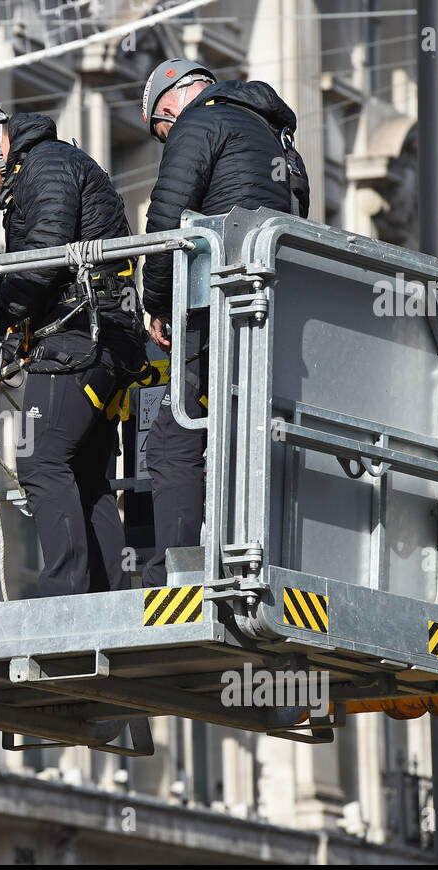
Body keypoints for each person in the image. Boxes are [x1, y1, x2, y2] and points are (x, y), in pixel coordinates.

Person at [0, 91, 148, 597]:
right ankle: (108, 595)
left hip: (85, 340)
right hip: (95, 335)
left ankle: (63, 598)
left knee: (41, 460)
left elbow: (43, 257)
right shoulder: (38, 169)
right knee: (83, 472)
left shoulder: (46, 167)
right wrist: (5, 337)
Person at [139, 59, 310, 587]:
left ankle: (176, 573)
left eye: (160, 130)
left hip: (214, 302)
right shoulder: (275, 136)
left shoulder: (198, 121)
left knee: (173, 441)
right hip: (271, 305)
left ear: (171, 105)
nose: (167, 137)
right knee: (248, 431)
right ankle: (254, 559)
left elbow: (167, 218)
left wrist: (158, 300)